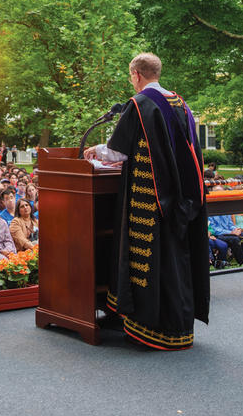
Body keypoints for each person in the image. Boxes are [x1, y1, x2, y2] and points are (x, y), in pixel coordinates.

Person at [83, 52, 209, 350]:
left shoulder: (140, 105)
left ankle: (152, 326)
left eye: (131, 76)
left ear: (136, 74)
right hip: (180, 198)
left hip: (150, 201)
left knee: (155, 261)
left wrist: (95, 151)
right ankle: (179, 328)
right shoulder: (180, 103)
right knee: (175, 259)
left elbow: (117, 151)